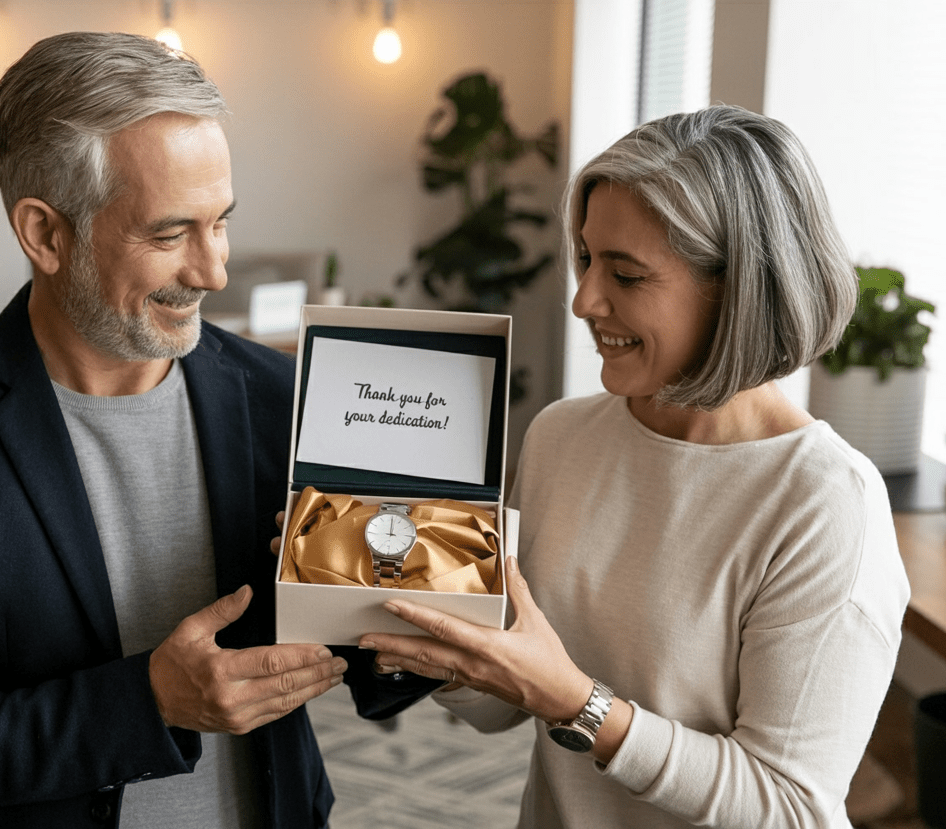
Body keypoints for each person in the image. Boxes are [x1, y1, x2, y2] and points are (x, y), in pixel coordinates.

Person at [0, 31, 436, 829]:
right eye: (168, 233)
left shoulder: (287, 396)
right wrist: (150, 697)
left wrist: (430, 598)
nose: (213, 269)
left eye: (221, 221)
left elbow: (367, 664)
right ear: (45, 234)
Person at [359, 105, 911, 828]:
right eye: (587, 258)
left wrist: (577, 703)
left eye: (627, 273)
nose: (585, 299)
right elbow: (501, 706)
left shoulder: (826, 503)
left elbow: (792, 806)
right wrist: (406, 604)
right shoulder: (561, 436)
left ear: (739, 288)